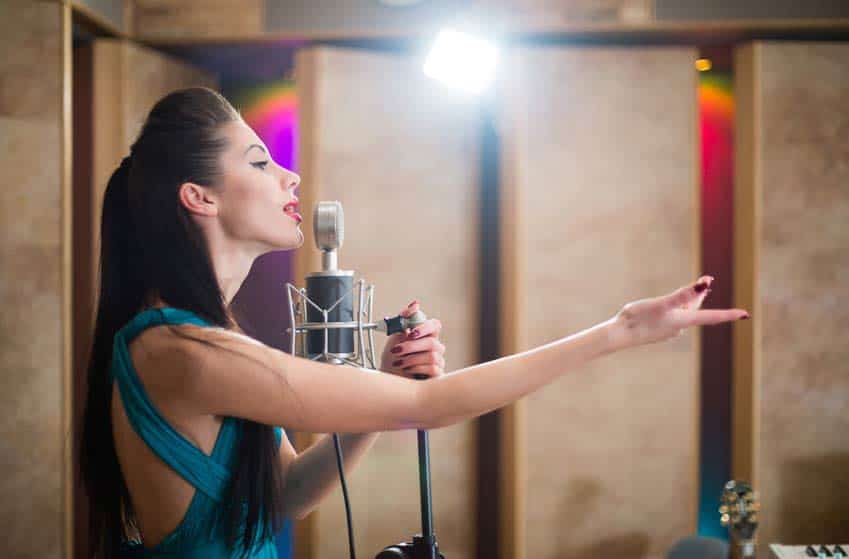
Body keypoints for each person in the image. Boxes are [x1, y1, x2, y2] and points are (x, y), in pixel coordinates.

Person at [79, 87, 749, 559]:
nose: (290, 176)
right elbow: (429, 404)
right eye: (259, 162)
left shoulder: (198, 338)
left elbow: (287, 494)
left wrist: (376, 388)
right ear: (198, 197)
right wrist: (620, 329)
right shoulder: (181, 350)